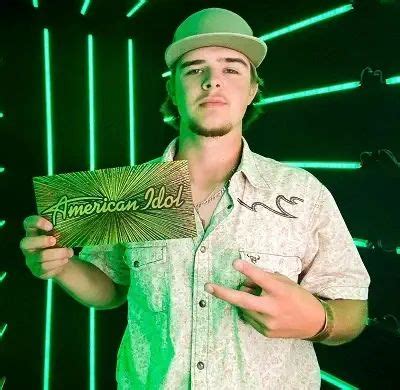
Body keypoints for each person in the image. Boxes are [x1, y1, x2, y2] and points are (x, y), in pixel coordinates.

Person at [20, 8, 370, 389]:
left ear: (253, 89)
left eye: (231, 69)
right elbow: (111, 289)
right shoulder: (132, 192)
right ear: (172, 89)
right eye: (194, 69)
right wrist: (61, 267)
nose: (212, 82)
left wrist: (320, 321)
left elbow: (353, 309)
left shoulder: (303, 192)